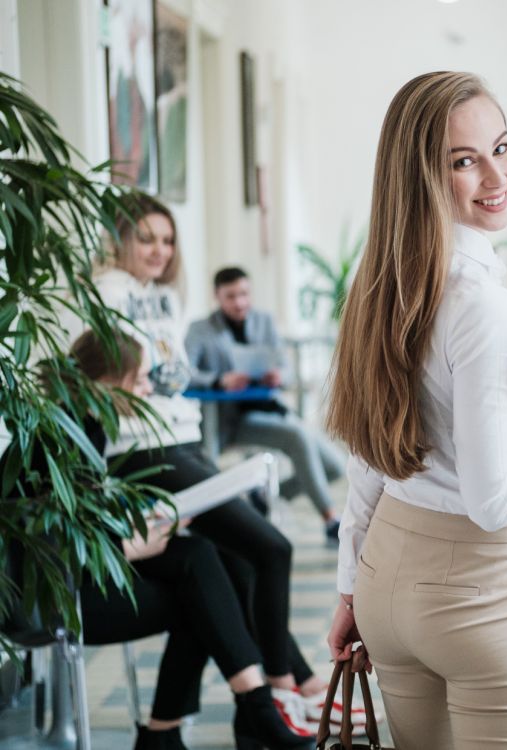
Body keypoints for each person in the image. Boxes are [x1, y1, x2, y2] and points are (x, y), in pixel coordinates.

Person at [324, 71, 507, 750]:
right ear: (421, 173)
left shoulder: (381, 283)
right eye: (463, 160)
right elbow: (494, 499)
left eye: (502, 147)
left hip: (388, 580)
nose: (496, 174)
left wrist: (349, 591)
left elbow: (370, 457)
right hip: (482, 593)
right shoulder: (476, 304)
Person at [84, 193, 327, 738]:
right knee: (272, 547)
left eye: (167, 240)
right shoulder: (106, 294)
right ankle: (284, 686)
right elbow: (125, 375)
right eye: (145, 238)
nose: (158, 250)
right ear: (120, 238)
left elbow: (178, 376)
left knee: (236, 564)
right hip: (142, 450)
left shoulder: (165, 296)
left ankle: (243, 715)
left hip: (183, 440)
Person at [2, 330, 313, 750]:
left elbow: (81, 520)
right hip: (58, 598)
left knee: (204, 556)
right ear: (107, 381)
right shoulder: (59, 437)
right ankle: (228, 714)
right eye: (141, 379)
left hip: (81, 576)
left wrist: (138, 529)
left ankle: (232, 711)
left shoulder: (81, 424)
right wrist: (130, 545)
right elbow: (53, 544)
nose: (149, 389)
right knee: (201, 597)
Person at [185, 266, 345, 541]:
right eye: (231, 296)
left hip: (270, 410)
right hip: (228, 420)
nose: (239, 302)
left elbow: (287, 369)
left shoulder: (264, 322)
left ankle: (265, 496)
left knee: (335, 467)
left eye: (244, 294)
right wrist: (220, 380)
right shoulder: (200, 330)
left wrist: (278, 376)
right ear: (217, 296)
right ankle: (330, 518)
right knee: (297, 436)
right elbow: (185, 374)